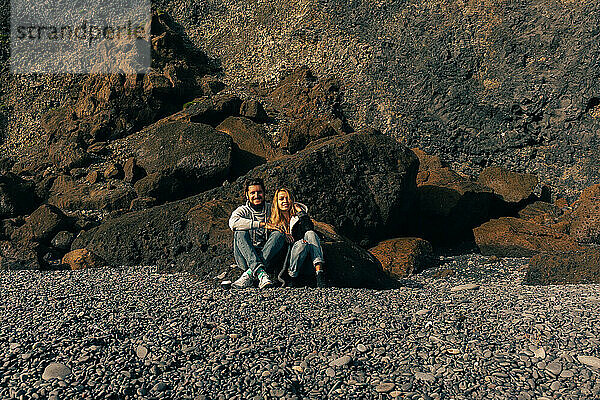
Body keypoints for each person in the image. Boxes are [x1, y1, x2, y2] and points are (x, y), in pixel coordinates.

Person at [229, 178, 285, 289]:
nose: (256, 195)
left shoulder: (272, 210)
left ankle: (250, 274)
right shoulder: (242, 210)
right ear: (247, 195)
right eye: (252, 193)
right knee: (240, 232)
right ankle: (261, 274)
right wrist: (262, 224)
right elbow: (233, 223)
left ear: (264, 193)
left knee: (279, 234)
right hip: (245, 259)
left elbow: (289, 208)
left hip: (268, 257)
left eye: (259, 192)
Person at [269, 188, 326, 288]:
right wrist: (283, 235)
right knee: (301, 244)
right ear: (276, 202)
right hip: (286, 264)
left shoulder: (297, 218)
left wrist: (301, 212)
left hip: (304, 259)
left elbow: (309, 228)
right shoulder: (273, 221)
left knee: (311, 234)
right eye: (281, 199)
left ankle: (319, 273)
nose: (285, 201)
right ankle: (292, 277)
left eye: (288, 198)